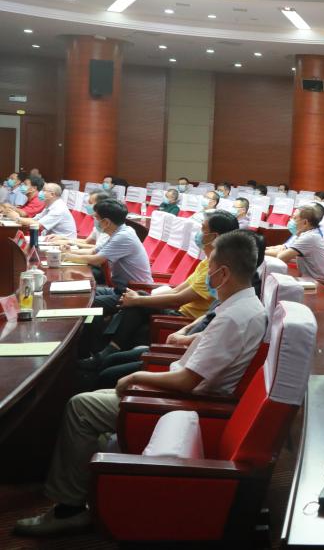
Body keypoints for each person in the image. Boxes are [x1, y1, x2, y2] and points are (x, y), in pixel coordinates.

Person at [15, 229, 266, 537]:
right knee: (94, 395)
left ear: (223, 273)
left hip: (185, 403)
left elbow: (187, 380)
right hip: (181, 393)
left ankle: (69, 508)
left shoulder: (232, 318)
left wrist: (136, 377)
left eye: (210, 266)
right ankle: (88, 483)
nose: (207, 273)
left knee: (81, 407)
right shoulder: (245, 307)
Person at [79, 211, 238, 369]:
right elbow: (176, 291)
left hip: (183, 318)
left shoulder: (216, 270)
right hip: (175, 310)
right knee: (135, 303)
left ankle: (107, 349)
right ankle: (108, 349)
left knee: (132, 303)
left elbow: (178, 299)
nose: (198, 233)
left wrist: (139, 300)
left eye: (202, 229)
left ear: (214, 236)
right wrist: (143, 299)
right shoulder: (206, 262)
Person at [62, 200, 152, 313]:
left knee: (82, 302)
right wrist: (69, 252)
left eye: (96, 218)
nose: (94, 221)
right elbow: (93, 251)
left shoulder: (123, 236)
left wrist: (67, 257)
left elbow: (97, 260)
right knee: (77, 293)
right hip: (120, 290)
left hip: (134, 293)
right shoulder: (119, 231)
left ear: (106, 222)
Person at [273, 205, 324, 281]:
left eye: (294, 218)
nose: (290, 220)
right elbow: (285, 252)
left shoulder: (309, 238)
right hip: (313, 280)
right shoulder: (305, 235)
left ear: (305, 222)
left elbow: (281, 257)